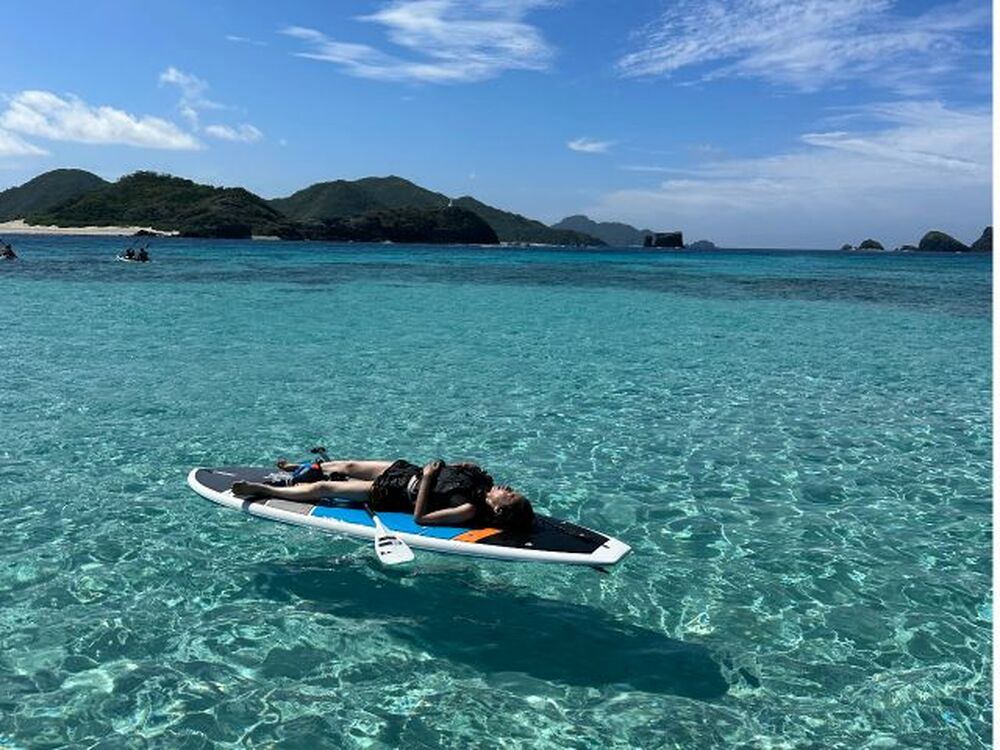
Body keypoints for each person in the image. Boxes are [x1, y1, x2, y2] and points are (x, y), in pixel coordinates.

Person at [232, 457, 535, 530]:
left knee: (325, 489)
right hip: (404, 470)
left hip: (395, 492)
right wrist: (461, 466)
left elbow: (421, 518)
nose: (508, 489)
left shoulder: (468, 509)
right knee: (348, 464)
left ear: (498, 510)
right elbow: (451, 472)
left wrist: (429, 478)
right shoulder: (481, 481)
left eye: (511, 496)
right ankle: (302, 466)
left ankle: (263, 489)